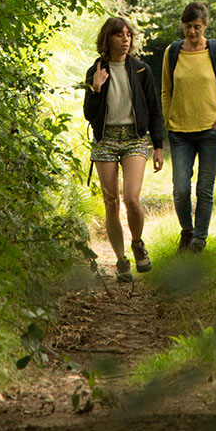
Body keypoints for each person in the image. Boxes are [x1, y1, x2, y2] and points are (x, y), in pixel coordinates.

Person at [83, 17, 164, 282]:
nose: (126, 39)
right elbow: (89, 114)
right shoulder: (95, 70)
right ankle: (120, 261)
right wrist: (95, 88)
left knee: (131, 197)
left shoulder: (141, 70)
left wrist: (159, 146)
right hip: (105, 138)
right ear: (108, 39)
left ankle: (138, 243)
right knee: (111, 202)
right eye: (120, 35)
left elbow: (154, 110)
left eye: (128, 35)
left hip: (134, 137)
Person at [161, 2, 216, 253]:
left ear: (205, 25)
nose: (191, 32)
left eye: (196, 27)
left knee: (205, 188)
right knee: (181, 189)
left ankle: (199, 240)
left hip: (211, 132)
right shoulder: (172, 52)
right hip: (180, 132)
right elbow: (166, 91)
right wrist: (168, 118)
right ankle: (187, 231)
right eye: (187, 27)